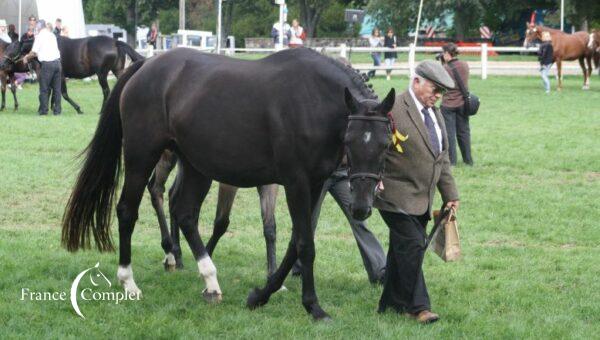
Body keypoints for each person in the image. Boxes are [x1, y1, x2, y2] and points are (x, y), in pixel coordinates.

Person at [374, 60, 459, 324]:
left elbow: (441, 158)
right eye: (433, 89)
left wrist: (450, 194)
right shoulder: (392, 109)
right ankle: (419, 306)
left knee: (402, 248)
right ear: (416, 81)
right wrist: (375, 178)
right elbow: (371, 147)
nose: (437, 96)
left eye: (441, 93)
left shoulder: (435, 114)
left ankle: (389, 303)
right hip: (393, 196)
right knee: (412, 246)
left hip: (423, 199)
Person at [291, 161, 386, 284]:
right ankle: (299, 268)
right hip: (319, 174)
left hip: (343, 174)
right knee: (307, 222)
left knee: (359, 220)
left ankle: (379, 272)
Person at [441, 43, 473, 166]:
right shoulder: (465, 65)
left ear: (447, 54)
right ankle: (468, 159)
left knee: (449, 134)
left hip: (448, 104)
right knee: (464, 132)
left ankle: (452, 161)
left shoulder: (445, 68)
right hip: (463, 104)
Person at [23, 20, 62, 116]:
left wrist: (26, 57)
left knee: (44, 88)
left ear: (40, 27)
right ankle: (57, 111)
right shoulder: (52, 35)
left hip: (47, 65)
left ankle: (43, 111)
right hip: (57, 63)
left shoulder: (39, 36)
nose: (36, 28)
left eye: (36, 27)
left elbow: (34, 52)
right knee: (57, 89)